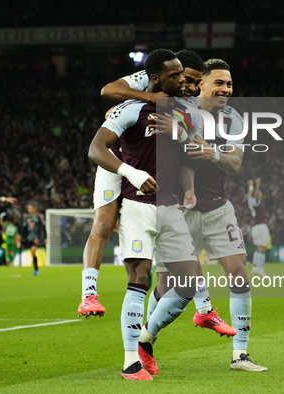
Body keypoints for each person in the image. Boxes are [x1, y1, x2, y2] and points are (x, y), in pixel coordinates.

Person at [89, 49, 233, 380]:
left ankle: (144, 340)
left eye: (186, 76)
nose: (184, 80)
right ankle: (130, 363)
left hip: (170, 208)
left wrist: (193, 146)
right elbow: (96, 148)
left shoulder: (184, 112)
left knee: (189, 283)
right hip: (138, 205)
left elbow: (189, 158)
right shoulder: (131, 108)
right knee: (138, 280)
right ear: (157, 79)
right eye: (177, 76)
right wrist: (131, 173)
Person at [145, 58, 266, 372]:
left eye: (229, 84)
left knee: (239, 272)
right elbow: (180, 159)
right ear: (201, 84)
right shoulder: (183, 111)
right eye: (219, 83)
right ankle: (146, 340)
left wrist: (213, 152)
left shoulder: (233, 118)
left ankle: (239, 355)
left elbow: (236, 163)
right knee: (168, 284)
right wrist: (187, 187)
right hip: (181, 210)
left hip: (217, 208)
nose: (226, 90)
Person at [78, 50, 207, 318]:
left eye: (196, 83)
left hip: (148, 170)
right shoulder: (149, 80)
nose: (190, 87)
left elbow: (195, 147)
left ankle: (197, 310)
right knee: (103, 222)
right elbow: (108, 91)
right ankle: (89, 294)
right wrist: (147, 99)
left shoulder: (189, 104)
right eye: (187, 79)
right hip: (117, 159)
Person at [248, 177, 270, 278]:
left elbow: (249, 195)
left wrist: (250, 186)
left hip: (255, 228)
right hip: (261, 226)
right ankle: (260, 269)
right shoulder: (258, 202)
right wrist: (257, 185)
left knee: (258, 247)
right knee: (263, 247)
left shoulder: (251, 202)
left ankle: (255, 267)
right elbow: (256, 195)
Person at [22, 204, 46, 276]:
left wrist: (45, 237)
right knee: (32, 254)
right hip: (29, 238)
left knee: (33, 251)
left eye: (32, 208)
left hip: (36, 238)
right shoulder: (27, 219)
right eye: (29, 209)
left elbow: (43, 228)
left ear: (35, 209)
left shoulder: (37, 218)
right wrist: (21, 236)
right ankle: (36, 270)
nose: (30, 210)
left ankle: (36, 270)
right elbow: (24, 229)